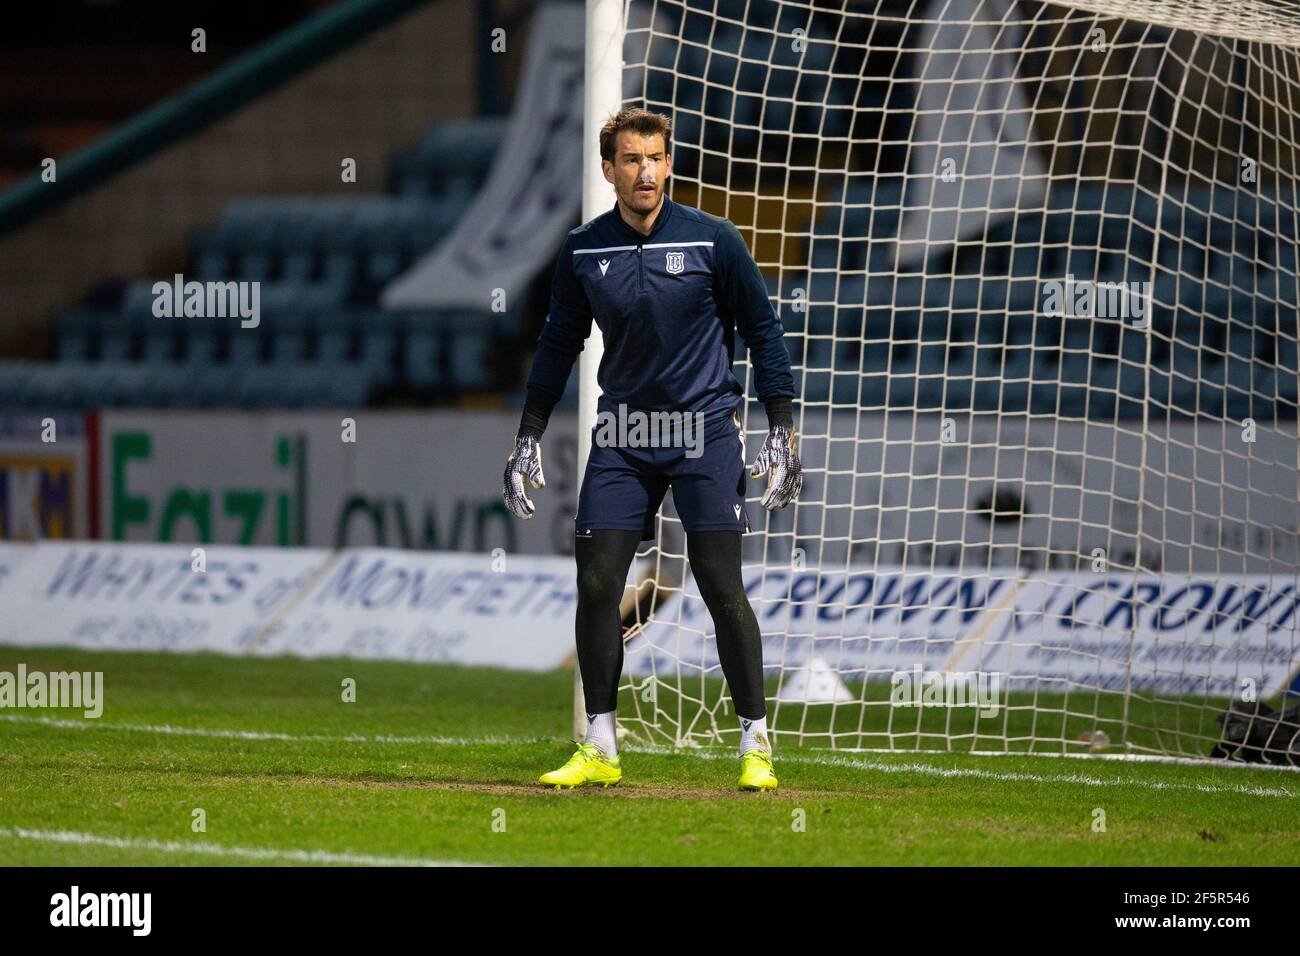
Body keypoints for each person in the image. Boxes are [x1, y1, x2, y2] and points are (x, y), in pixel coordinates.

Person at [503, 107, 801, 791]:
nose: (647, 171)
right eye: (632, 160)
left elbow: (763, 329)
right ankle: (601, 746)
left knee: (722, 585)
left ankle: (756, 744)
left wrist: (782, 426)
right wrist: (528, 434)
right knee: (598, 583)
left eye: (657, 158)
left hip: (704, 432)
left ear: (670, 163)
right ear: (608, 171)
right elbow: (557, 343)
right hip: (625, 436)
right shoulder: (583, 249)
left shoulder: (713, 240)